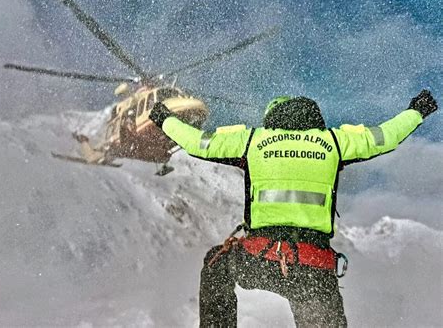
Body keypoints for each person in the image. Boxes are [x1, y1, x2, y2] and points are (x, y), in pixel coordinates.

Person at [149, 90, 438, 327]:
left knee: (217, 264)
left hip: (260, 259)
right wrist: (416, 111)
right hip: (315, 268)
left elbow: (196, 142)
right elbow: (384, 136)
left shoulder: (253, 141)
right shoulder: (334, 142)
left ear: (272, 118)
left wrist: (164, 119)